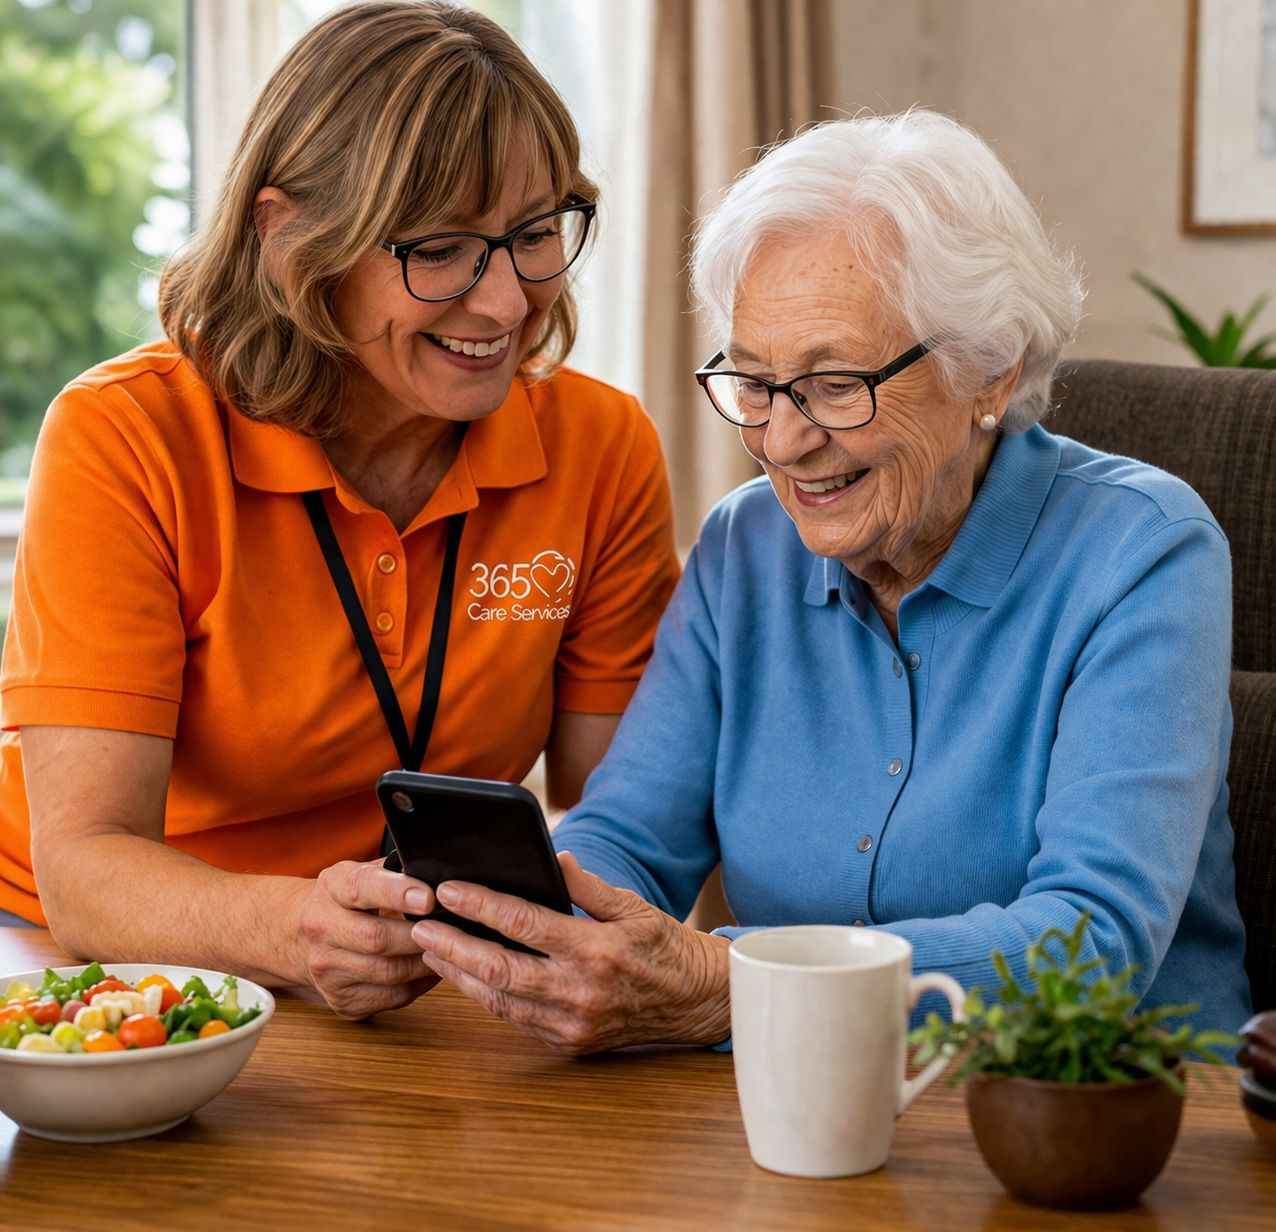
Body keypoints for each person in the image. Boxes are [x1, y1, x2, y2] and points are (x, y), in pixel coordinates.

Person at [404, 111, 1253, 1052]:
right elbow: (626, 834)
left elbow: (1090, 943)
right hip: (801, 1110)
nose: (783, 441)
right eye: (756, 383)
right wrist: (522, 917)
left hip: (1112, 1129)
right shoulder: (743, 548)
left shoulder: (1143, 554)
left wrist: (736, 984)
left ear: (991, 372)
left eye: (837, 383)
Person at [0, 1, 679, 1021]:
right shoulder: (125, 436)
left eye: (535, 234)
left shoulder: (603, 446)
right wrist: (292, 928)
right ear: (290, 236)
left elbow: (624, 806)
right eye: (442, 249)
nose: (503, 302)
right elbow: (88, 868)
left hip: (416, 968)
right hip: (109, 967)